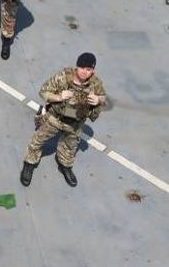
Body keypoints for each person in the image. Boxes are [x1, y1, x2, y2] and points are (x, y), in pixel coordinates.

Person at [21, 53, 107, 188]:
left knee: (69, 148)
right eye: (82, 67)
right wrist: (59, 97)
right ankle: (29, 163)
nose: (85, 72)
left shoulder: (95, 84)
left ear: (93, 71)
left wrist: (98, 100)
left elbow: (102, 97)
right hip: (55, 118)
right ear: (77, 66)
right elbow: (43, 92)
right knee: (37, 141)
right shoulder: (63, 77)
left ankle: (65, 166)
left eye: (89, 69)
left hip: (75, 124)